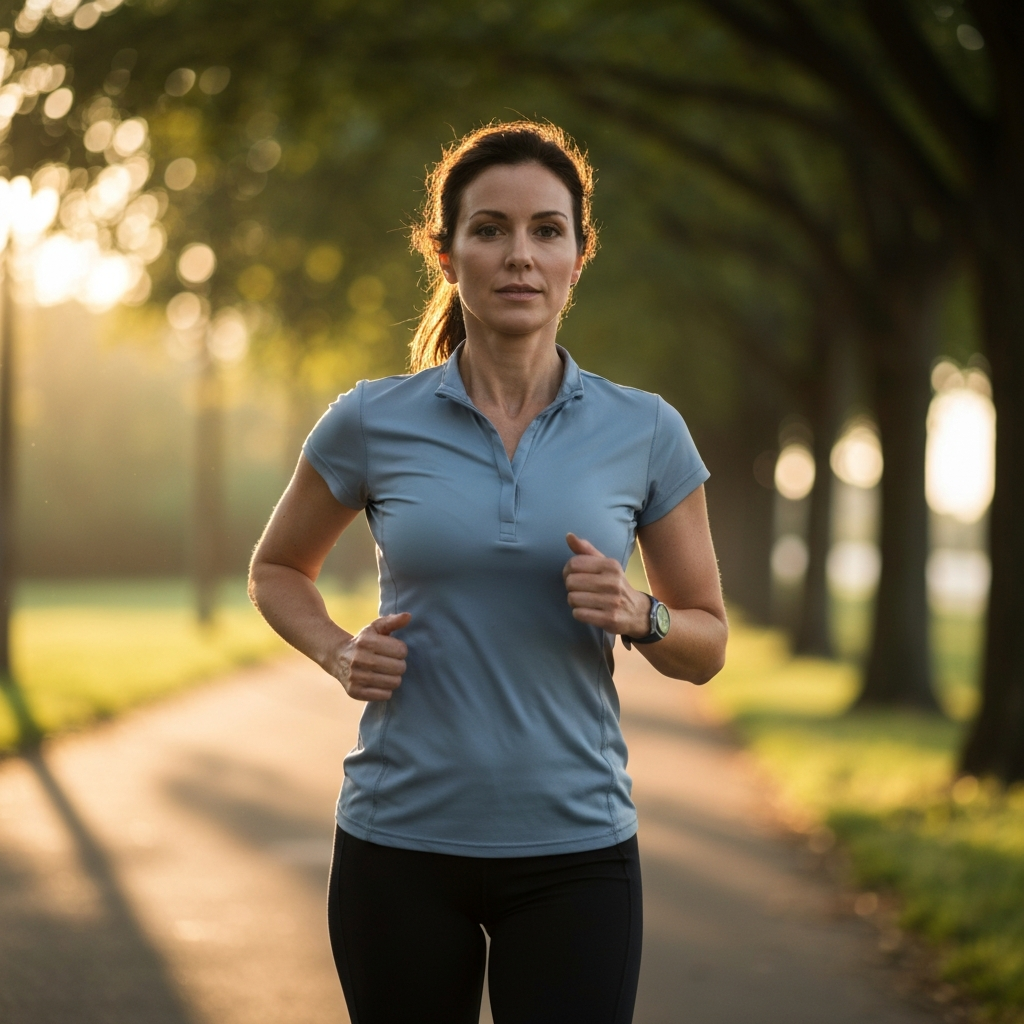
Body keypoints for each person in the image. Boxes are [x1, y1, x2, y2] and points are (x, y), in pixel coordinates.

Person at [248, 121, 728, 1024]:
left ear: (579, 257)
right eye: (490, 229)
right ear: (446, 251)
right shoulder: (369, 420)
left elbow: (705, 644)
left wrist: (641, 614)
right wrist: (336, 654)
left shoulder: (647, 431)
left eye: (547, 230)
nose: (520, 256)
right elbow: (277, 568)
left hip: (577, 851)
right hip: (398, 843)